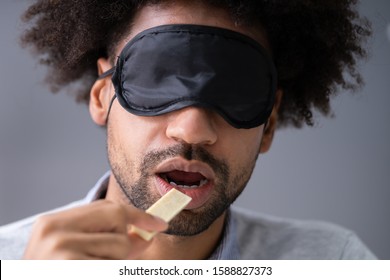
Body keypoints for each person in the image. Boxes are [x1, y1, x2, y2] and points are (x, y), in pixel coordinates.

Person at [0, 0, 376, 260]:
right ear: (102, 98)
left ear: (270, 123)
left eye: (236, 92)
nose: (193, 130)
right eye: (157, 77)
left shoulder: (336, 260)